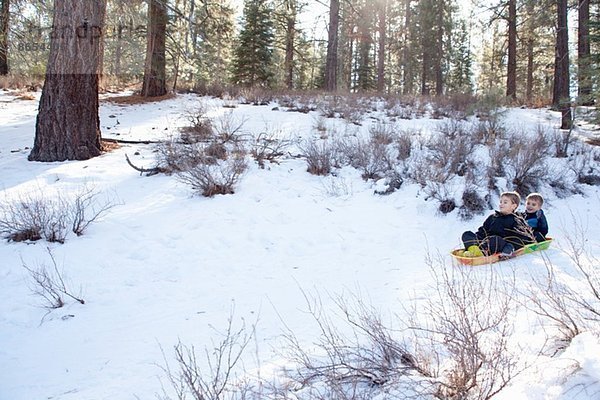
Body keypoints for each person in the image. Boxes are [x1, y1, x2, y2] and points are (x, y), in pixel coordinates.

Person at [461, 191, 535, 257]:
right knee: (467, 234)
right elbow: (483, 230)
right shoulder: (492, 217)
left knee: (495, 239)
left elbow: (522, 238)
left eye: (505, 202)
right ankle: (474, 249)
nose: (501, 204)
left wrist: (510, 246)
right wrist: (476, 239)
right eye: (501, 202)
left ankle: (479, 253)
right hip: (486, 242)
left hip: (500, 243)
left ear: (514, 206)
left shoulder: (516, 220)